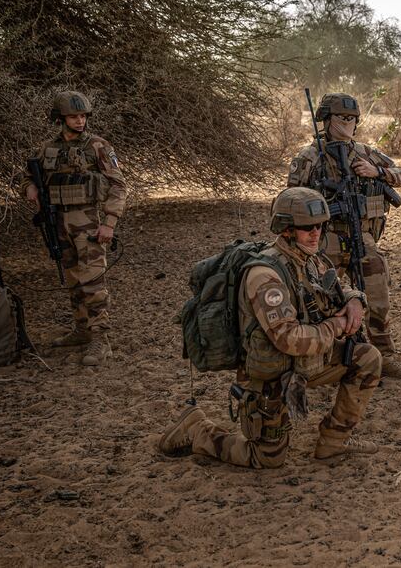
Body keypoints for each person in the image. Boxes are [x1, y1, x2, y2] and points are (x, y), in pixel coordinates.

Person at [158, 187, 382, 467]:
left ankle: (333, 442)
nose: (316, 233)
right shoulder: (265, 276)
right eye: (306, 227)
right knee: (266, 459)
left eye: (320, 226)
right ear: (287, 229)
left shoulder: (310, 258)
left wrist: (354, 301)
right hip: (269, 376)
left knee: (367, 358)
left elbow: (336, 287)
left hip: (304, 363)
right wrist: (336, 325)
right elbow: (289, 339)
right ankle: (197, 429)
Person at [288, 92, 401, 379]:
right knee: (320, 301)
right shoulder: (309, 156)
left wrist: (376, 171)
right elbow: (289, 199)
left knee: (377, 293)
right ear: (326, 120)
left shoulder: (365, 152)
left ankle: (384, 354)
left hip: (361, 236)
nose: (348, 123)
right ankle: (326, 360)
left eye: (353, 119)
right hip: (324, 239)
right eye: (342, 118)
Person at [19, 90, 127, 366]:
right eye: (73, 116)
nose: (80, 121)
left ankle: (101, 339)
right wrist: (30, 187)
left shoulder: (98, 146)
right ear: (60, 118)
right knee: (73, 279)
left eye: (82, 116)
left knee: (92, 281)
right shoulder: (48, 149)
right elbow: (29, 177)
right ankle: (81, 330)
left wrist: (110, 223)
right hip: (58, 222)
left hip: (88, 221)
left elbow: (118, 185)